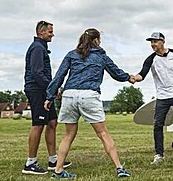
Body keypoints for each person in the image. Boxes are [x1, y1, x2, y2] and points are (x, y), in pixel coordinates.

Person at [45, 28, 135, 179]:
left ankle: (58, 170)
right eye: (99, 40)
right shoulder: (101, 56)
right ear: (96, 41)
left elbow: (59, 76)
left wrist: (50, 96)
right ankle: (119, 168)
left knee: (68, 135)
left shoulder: (71, 54)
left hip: (69, 95)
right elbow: (116, 73)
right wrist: (129, 78)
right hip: (89, 95)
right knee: (103, 133)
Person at [134, 32, 173, 163]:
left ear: (162, 41)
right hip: (162, 97)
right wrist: (134, 78)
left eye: (155, 41)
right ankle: (159, 155)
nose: (153, 44)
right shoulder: (150, 59)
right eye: (151, 42)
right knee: (157, 125)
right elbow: (142, 74)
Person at [23, 20, 71, 175]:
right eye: (50, 32)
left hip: (44, 90)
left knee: (52, 122)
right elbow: (37, 72)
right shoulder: (37, 48)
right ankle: (30, 163)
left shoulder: (42, 47)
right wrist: (52, 88)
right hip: (36, 89)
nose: (53, 34)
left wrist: (51, 90)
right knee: (38, 124)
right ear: (41, 32)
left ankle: (53, 159)